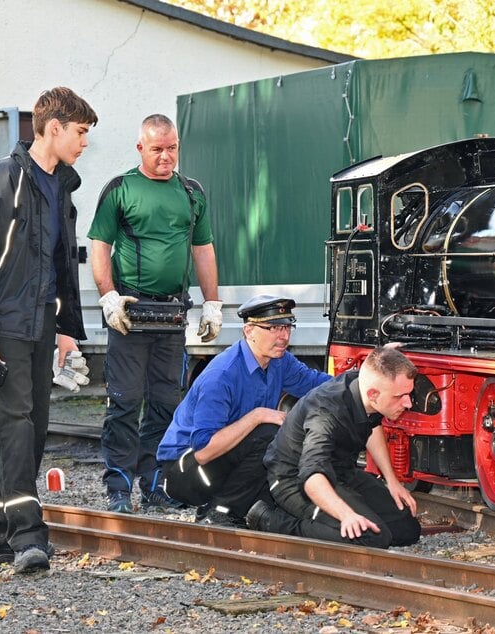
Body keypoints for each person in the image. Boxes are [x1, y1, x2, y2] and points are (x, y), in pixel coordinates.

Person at [0, 87, 98, 573]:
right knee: (14, 425)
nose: (84, 142)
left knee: (30, 429)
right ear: (54, 127)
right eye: (80, 132)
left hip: (41, 325)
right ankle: (28, 537)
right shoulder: (7, 177)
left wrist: (66, 328)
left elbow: (61, 264)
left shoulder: (61, 186)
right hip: (4, 326)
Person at [87, 114, 222, 514]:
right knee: (125, 403)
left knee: (165, 404)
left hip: (172, 315)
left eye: (172, 148)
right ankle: (118, 488)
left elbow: (203, 249)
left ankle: (155, 485)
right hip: (129, 314)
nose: (166, 156)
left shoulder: (191, 193)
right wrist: (108, 297)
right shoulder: (120, 189)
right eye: (157, 149)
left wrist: (212, 303)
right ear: (140, 148)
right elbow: (100, 245)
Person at [156, 295, 332, 526]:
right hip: (184, 471)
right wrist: (257, 416)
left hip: (222, 461)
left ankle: (255, 510)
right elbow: (204, 451)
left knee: (281, 439)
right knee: (268, 433)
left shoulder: (280, 361)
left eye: (287, 327)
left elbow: (322, 385)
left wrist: (362, 380)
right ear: (249, 331)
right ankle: (219, 512)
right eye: (273, 328)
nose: (284, 336)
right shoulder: (221, 375)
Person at [246, 346, 422, 548]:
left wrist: (392, 481)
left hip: (340, 471)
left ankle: (331, 519)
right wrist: (346, 515)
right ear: (373, 394)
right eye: (399, 396)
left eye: (409, 394)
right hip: (295, 479)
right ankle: (271, 521)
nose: (408, 403)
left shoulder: (363, 386)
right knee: (372, 538)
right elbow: (311, 476)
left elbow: (372, 426)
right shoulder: (325, 413)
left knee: (407, 530)